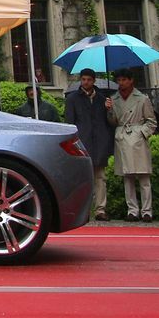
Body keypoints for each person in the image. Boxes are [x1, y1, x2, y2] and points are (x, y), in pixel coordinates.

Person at [106, 68, 156, 222]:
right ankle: (132, 210)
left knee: (143, 176)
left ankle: (147, 210)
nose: (121, 83)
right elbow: (113, 122)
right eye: (119, 80)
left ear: (131, 80)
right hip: (122, 137)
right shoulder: (114, 99)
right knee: (127, 176)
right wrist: (109, 110)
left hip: (137, 137)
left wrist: (141, 133)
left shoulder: (142, 98)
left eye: (124, 80)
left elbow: (152, 121)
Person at [65, 69, 113, 221]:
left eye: (89, 80)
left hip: (99, 142)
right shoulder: (72, 99)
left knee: (100, 177)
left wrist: (109, 109)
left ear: (93, 81)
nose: (86, 82)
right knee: (83, 179)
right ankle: (83, 210)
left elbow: (109, 122)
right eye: (83, 79)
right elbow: (70, 122)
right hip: (82, 142)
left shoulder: (102, 99)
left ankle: (100, 209)